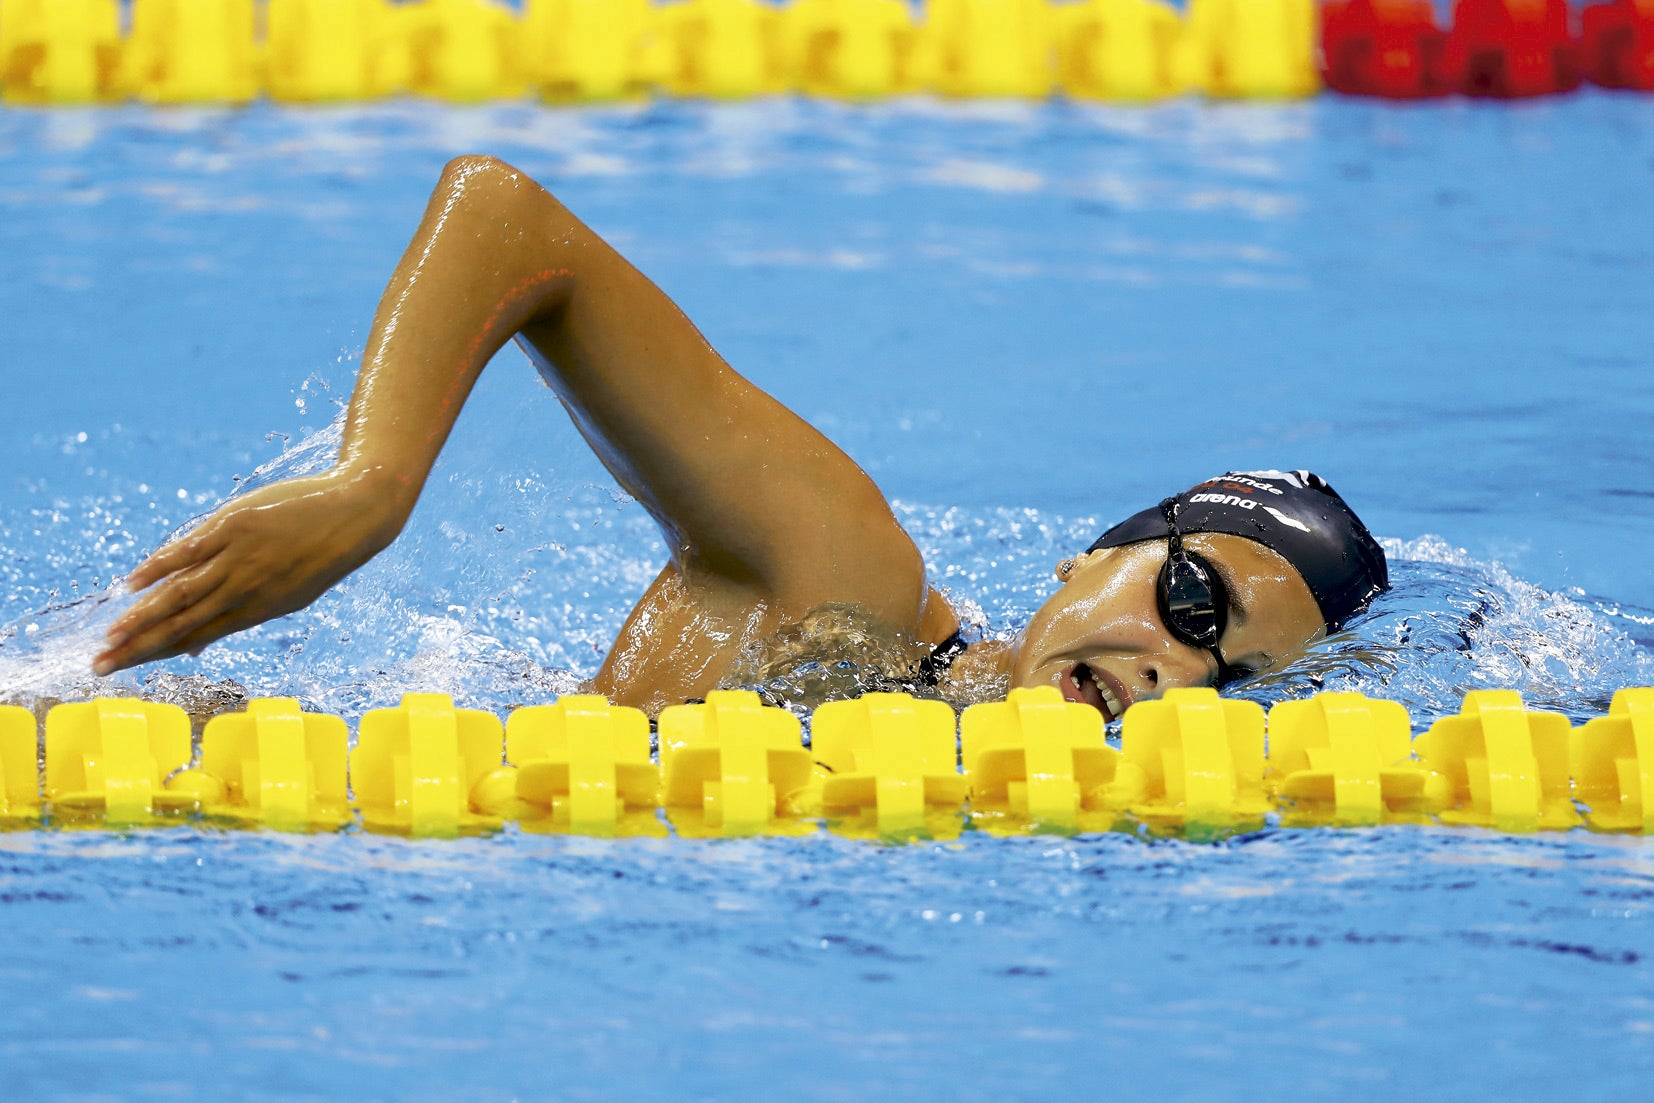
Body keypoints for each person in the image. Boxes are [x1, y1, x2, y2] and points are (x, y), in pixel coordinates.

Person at [92, 155, 1387, 718]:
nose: (1178, 669)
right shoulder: (843, 585)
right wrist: (372, 485)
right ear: (1084, 562)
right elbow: (506, 222)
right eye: (1186, 599)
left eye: (1235, 681)